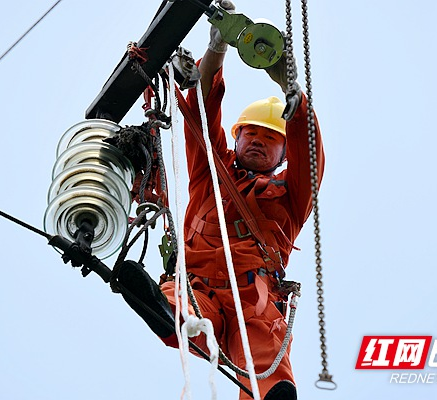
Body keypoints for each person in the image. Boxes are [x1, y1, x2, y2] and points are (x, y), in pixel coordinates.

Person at [117, 1, 324, 399]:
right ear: (237, 137)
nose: (259, 143)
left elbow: (311, 156)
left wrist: (292, 95)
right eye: (253, 135)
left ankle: (272, 393)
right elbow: (202, 112)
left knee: (261, 340)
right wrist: (215, 52)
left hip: (253, 293)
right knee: (184, 309)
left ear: (284, 155)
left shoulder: (289, 197)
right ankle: (167, 316)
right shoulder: (212, 171)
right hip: (197, 286)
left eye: (271, 140)